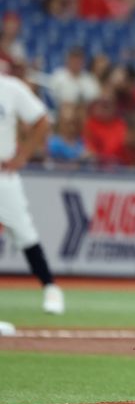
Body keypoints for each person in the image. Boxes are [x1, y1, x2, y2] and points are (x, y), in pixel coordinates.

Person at [0, 74, 65, 314]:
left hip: (3, 175)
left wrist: (23, 155)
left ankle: (50, 287)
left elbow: (42, 121)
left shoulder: (9, 87)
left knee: (24, 233)